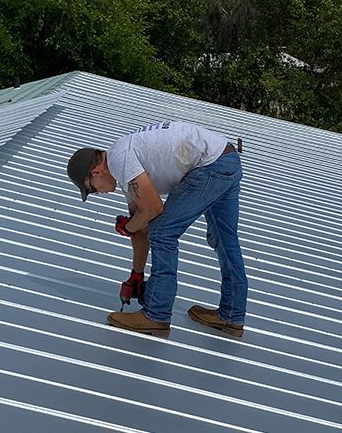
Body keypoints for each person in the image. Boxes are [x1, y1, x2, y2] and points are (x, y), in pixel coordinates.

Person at [67, 121, 248, 338]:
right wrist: (136, 274)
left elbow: (153, 209)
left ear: (95, 172)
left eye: (91, 189)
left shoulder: (120, 160)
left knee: (163, 232)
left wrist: (127, 227)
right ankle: (232, 315)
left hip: (210, 166)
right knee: (225, 239)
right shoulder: (126, 169)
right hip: (227, 159)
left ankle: (156, 315)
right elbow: (140, 227)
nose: (98, 193)